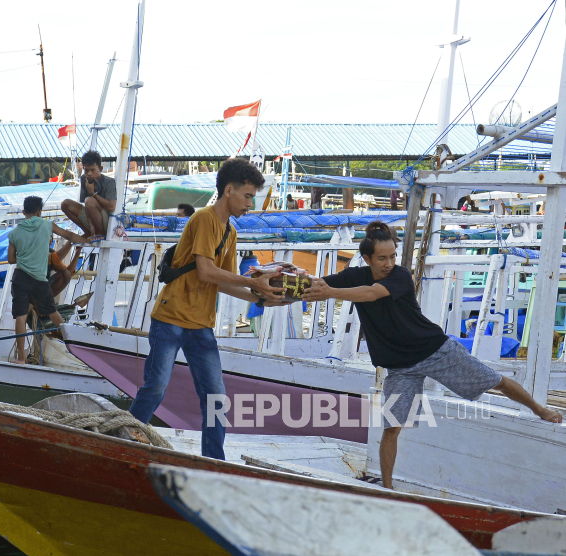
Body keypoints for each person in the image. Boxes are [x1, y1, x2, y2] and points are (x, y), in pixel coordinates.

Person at [301, 221, 562, 489]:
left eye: (392, 256)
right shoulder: (354, 276)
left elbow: (371, 294)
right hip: (399, 367)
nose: (389, 262)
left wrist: (330, 292)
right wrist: (273, 290)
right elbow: (312, 287)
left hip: (434, 350)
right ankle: (388, 488)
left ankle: (539, 409)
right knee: (391, 427)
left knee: (496, 381)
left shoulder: (400, 276)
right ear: (367, 259)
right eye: (382, 258)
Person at [129, 158, 287, 460]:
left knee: (216, 399)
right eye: (248, 196)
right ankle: (125, 439)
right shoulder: (203, 219)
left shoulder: (230, 232)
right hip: (171, 318)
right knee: (156, 387)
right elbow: (205, 271)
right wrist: (254, 283)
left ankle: (215, 461)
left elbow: (222, 282)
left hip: (200, 324)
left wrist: (261, 298)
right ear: (229, 191)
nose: (251, 204)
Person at [7, 195, 86, 365]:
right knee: (53, 312)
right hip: (38, 279)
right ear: (39, 211)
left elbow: (11, 259)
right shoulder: (47, 225)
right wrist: (86, 239)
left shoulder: (14, 233)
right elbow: (69, 236)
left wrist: (25, 255)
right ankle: (74, 346)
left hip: (20, 277)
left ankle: (21, 359)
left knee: (20, 317)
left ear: (23, 212)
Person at [61, 150, 116, 239]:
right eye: (86, 170)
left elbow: (112, 207)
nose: (89, 173)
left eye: (92, 170)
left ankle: (100, 233)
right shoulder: (84, 179)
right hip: (93, 216)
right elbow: (87, 207)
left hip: (108, 221)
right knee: (65, 204)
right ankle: (88, 232)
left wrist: (93, 194)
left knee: (89, 200)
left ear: (100, 169)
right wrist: (91, 225)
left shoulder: (109, 182)